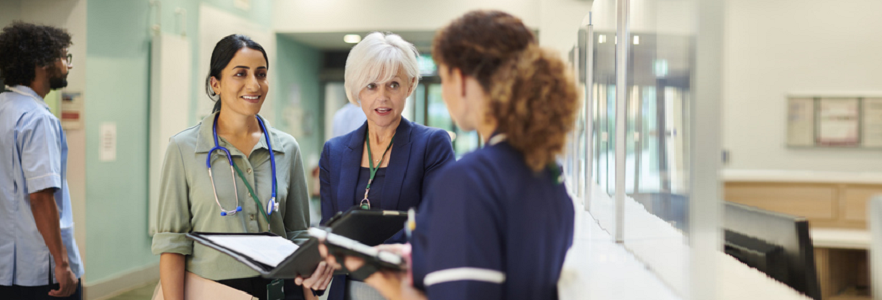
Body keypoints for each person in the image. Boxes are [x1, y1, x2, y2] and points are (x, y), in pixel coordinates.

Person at [319, 10, 580, 300]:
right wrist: (411, 254)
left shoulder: (469, 181)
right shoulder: (548, 171)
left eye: (443, 78)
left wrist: (378, 276)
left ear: (461, 80)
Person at [149, 34, 333, 300]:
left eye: (261, 74)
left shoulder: (287, 148)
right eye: (240, 74)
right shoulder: (183, 148)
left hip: (279, 288)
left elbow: (297, 234)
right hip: (213, 290)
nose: (254, 84)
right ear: (216, 84)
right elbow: (173, 244)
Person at [317, 31, 456, 300]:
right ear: (357, 89)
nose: (382, 96)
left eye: (393, 84)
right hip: (347, 290)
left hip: (406, 287)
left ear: (410, 85)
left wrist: (369, 255)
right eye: (371, 86)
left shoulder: (432, 145)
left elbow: (438, 221)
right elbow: (329, 228)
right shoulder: (333, 152)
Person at [0, 21, 84, 300]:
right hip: (39, 271)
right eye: (64, 57)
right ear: (42, 63)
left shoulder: (4, 108)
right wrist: (61, 264)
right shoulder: (38, 119)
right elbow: (40, 197)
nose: (68, 66)